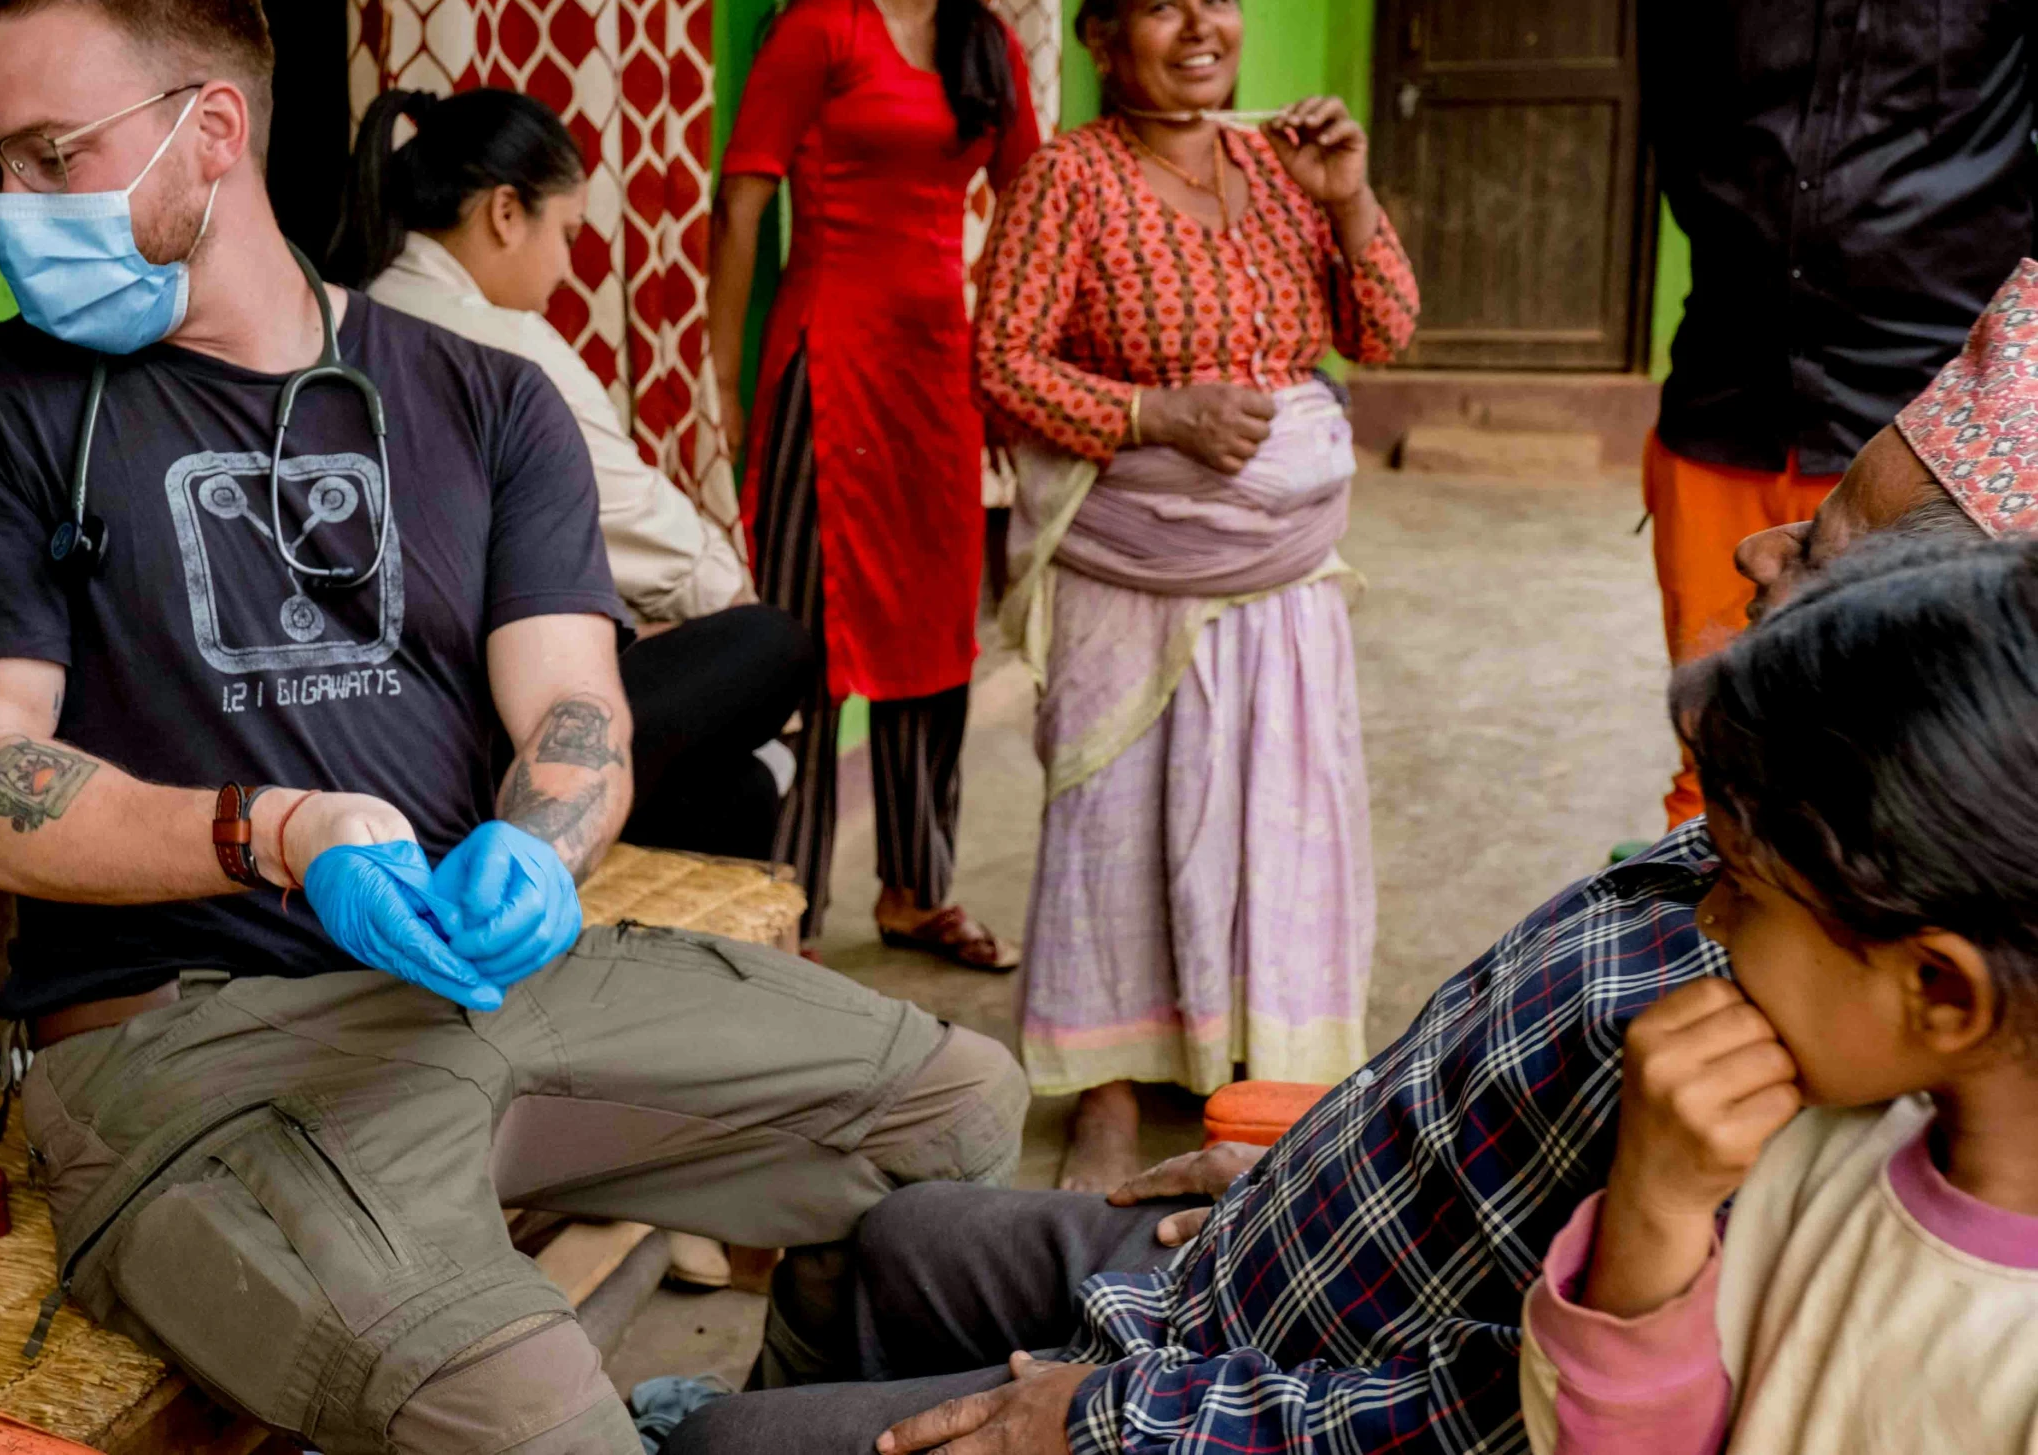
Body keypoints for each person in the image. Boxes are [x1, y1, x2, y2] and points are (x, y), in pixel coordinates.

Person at [0, 0, 1025, 1455]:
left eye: (45, 153)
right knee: (532, 1419)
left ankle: (764, 1429)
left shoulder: (482, 396)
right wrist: (280, 830)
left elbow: (572, 704)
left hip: (490, 978)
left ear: (208, 130)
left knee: (948, 1106)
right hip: (192, 1042)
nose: (12, 207)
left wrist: (543, 845)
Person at [661, 265, 2026, 1455]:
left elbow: (1499, 1411)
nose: (1755, 538)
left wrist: (1104, 1416)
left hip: (1259, 1377)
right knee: (875, 1250)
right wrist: (1308, 1154)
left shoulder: (1773, 1063)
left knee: (739, 1428)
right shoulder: (1777, 874)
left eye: (1822, 548)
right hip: (1269, 1255)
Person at [972, 0, 1418, 1192]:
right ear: (1106, 43)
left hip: (1275, 579)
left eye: (1214, 0)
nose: (1200, 29)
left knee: (1271, 817)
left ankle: (1253, 1062)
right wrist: (1152, 414)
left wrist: (1346, 196)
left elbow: (1380, 330)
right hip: (1133, 562)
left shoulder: (1284, 159)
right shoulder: (1070, 177)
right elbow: (999, 363)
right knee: (1113, 812)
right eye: (1162, 10)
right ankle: (1104, 1082)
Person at [1523, 537, 2038, 1452]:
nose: (1711, 921)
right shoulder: (1816, 1142)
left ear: (1940, 989)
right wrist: (1655, 1208)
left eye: (1742, 890)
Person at [1637, 0, 2038, 830]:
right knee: (1715, 740)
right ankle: (1718, 955)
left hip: (1932, 444)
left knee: (1916, 767)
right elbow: (1682, 137)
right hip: (1725, 408)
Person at [332, 84, 814, 866]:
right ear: (504, 213)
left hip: (373, 723)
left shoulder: (346, 315)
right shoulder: (506, 348)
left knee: (738, 790)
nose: (564, 267)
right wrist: (723, 607)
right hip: (476, 743)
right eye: (567, 233)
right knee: (772, 642)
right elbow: (640, 527)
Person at [707, 0, 1041, 961]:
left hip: (940, 380)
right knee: (808, 639)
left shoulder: (982, 40)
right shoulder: (820, 27)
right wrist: (721, 383)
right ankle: (789, 905)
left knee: (936, 637)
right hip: (823, 375)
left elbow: (1034, 200)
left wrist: (1009, 351)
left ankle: (914, 889)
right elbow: (744, 204)